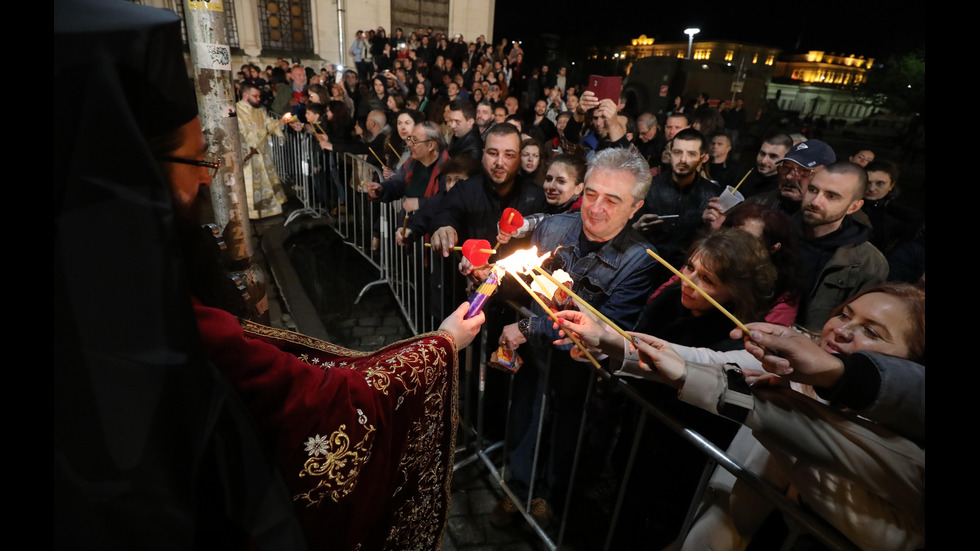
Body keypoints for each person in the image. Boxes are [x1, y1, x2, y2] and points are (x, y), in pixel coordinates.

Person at [55, 2, 485, 549]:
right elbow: (326, 400)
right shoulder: (163, 329)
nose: (207, 185)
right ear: (135, 180)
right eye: (196, 164)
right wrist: (443, 345)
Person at [554, 283, 925, 551]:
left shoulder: (897, 442)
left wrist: (773, 412)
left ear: (908, 368)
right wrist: (607, 338)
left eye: (870, 332)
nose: (842, 331)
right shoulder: (793, 357)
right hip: (723, 527)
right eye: (845, 313)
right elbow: (702, 362)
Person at [492, 147, 658, 529]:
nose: (596, 209)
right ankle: (517, 488)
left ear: (635, 207)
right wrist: (489, 271)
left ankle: (550, 497)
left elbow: (605, 329)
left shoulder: (641, 260)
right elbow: (519, 279)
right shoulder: (555, 229)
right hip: (534, 361)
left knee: (568, 437)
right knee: (525, 422)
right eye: (592, 194)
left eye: (613, 200)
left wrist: (530, 326)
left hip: (580, 376)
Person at [236, 83, 287, 218]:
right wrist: (247, 147)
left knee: (267, 182)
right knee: (251, 185)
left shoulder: (260, 110)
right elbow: (237, 135)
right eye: (255, 96)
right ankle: (251, 213)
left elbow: (269, 123)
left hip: (263, 154)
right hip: (248, 154)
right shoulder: (236, 111)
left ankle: (269, 210)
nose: (259, 99)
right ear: (245, 95)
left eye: (259, 96)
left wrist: (280, 123)